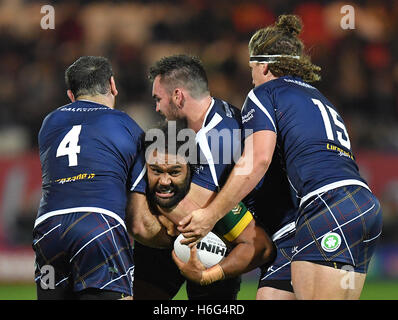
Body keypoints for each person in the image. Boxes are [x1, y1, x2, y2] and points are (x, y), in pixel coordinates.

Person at [178, 15, 383, 300]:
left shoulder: (265, 93)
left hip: (326, 203)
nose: (251, 75)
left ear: (264, 65)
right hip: (357, 205)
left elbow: (256, 161)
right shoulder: (318, 98)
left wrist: (210, 215)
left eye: (252, 67)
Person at [128, 54, 275, 296]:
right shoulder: (183, 128)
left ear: (178, 96)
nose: (156, 107)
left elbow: (191, 211)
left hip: (222, 238)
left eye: (158, 99)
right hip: (207, 232)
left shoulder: (219, 135)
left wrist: (152, 202)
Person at [32, 56, 168, 300]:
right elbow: (138, 222)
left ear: (71, 95)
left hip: (47, 231)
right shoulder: (127, 126)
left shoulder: (48, 124)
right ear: (113, 85)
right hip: (97, 227)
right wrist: (174, 239)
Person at [132, 121, 274, 300]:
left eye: (175, 172)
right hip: (155, 259)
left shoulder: (212, 199)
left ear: (191, 171)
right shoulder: (135, 186)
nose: (164, 181)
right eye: (156, 171)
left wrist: (209, 276)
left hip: (212, 264)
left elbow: (261, 247)